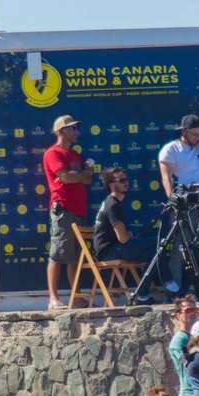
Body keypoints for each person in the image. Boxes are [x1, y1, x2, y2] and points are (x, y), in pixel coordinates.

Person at [158, 114, 199, 298]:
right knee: (177, 250)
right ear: (184, 132)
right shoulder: (171, 149)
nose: (197, 137)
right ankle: (176, 294)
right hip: (183, 204)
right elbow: (166, 177)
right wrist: (173, 199)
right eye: (194, 134)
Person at [43, 114, 93, 309]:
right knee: (57, 253)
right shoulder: (53, 153)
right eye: (73, 128)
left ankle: (76, 297)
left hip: (79, 209)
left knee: (75, 257)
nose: (77, 132)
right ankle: (53, 299)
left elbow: (87, 179)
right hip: (63, 208)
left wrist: (77, 174)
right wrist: (78, 174)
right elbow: (65, 177)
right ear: (62, 131)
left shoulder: (75, 155)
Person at [92, 167, 154, 304]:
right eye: (122, 180)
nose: (126, 182)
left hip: (111, 248)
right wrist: (129, 236)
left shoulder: (113, 202)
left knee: (156, 247)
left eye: (126, 179)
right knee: (156, 248)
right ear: (112, 185)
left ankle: (152, 290)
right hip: (108, 252)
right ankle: (144, 293)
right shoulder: (112, 205)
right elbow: (123, 238)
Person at [166, 296, 199, 396]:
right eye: (188, 310)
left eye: (195, 310)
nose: (192, 313)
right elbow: (188, 364)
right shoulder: (179, 340)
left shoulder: (197, 338)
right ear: (178, 315)